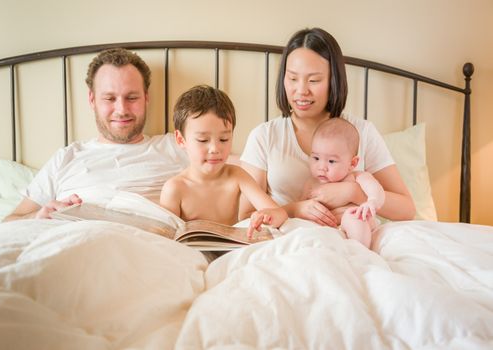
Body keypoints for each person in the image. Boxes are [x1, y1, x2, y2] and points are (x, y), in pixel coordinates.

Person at [240, 27, 415, 226]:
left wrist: (355, 193)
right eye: (293, 78)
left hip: (352, 236)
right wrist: (295, 209)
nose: (301, 90)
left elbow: (407, 209)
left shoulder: (361, 132)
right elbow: (245, 215)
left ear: (334, 81)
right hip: (289, 239)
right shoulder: (265, 136)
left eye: (314, 80)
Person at [4, 48, 189, 221]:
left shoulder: (178, 146)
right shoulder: (67, 157)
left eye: (132, 98)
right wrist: (40, 215)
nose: (121, 110)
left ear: (146, 98)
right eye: (109, 98)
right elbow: (8, 222)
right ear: (92, 100)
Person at [160, 85, 288, 237]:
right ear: (181, 140)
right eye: (203, 140)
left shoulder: (237, 176)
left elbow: (280, 214)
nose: (215, 148)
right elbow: (165, 238)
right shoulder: (174, 189)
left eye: (224, 139)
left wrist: (266, 215)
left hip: (230, 252)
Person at [302, 118, 384, 247]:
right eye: (316, 158)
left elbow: (376, 189)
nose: (321, 167)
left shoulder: (355, 177)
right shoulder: (311, 184)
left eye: (331, 161)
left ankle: (359, 250)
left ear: (352, 163)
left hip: (356, 221)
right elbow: (303, 208)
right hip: (329, 229)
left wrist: (372, 201)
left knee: (353, 218)